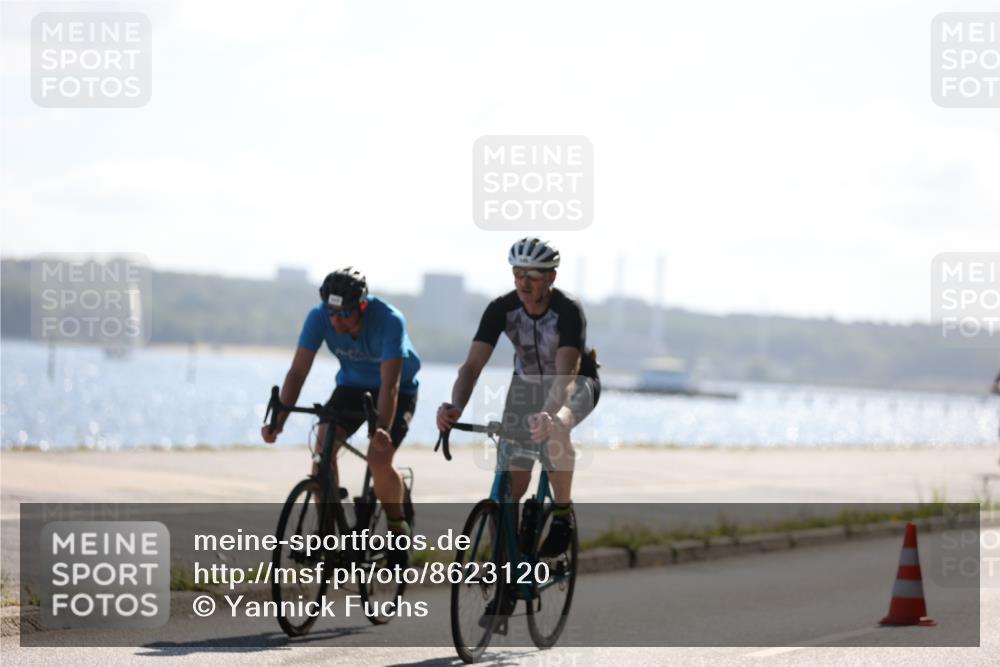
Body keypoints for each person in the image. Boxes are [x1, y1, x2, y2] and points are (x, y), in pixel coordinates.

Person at [437, 237, 600, 558]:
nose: (523, 282)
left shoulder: (568, 310)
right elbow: (471, 367)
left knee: (558, 427)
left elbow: (566, 372)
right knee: (513, 481)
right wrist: (455, 406)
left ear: (550, 277)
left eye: (533, 275)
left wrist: (551, 414)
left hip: (574, 384)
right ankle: (506, 563)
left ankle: (563, 514)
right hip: (525, 386)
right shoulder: (502, 308)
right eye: (518, 273)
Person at [262, 267, 420, 535]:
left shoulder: (389, 320)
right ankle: (327, 531)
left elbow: (390, 385)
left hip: (396, 390)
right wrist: (279, 420)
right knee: (322, 450)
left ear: (362, 305)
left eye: (345, 313)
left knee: (379, 459)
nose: (336, 321)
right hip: (351, 387)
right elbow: (298, 372)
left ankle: (396, 524)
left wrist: (381, 429)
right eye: (332, 312)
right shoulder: (318, 317)